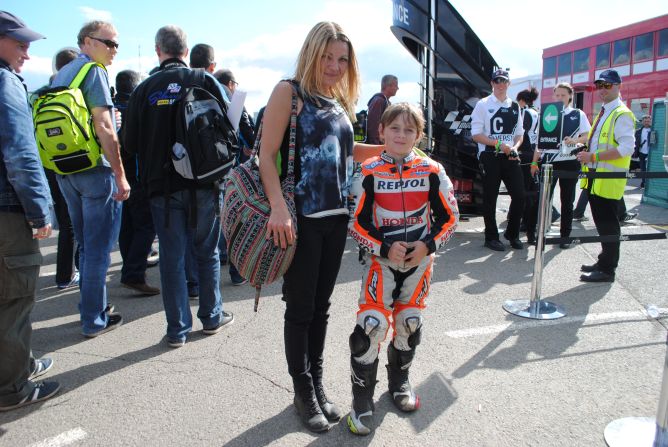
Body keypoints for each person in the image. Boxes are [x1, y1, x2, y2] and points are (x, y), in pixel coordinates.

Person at [258, 21, 362, 432]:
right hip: (299, 221)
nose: (335, 66)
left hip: (335, 221)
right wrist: (279, 206)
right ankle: (302, 392)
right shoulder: (290, 92)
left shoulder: (336, 101)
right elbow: (266, 155)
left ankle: (317, 383)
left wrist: (403, 147)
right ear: (311, 52)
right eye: (327, 56)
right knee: (300, 310)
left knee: (321, 308)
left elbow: (347, 154)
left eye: (342, 59)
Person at [346, 103, 459, 435]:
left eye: (409, 130)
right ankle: (361, 401)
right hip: (380, 263)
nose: (401, 135)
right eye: (394, 128)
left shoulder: (432, 170)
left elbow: (451, 218)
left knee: (410, 323)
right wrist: (382, 246)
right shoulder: (367, 171)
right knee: (371, 326)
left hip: (419, 264)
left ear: (419, 135)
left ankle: (400, 383)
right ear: (381, 131)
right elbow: (354, 223)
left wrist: (427, 245)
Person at [124, 25, 234, 348]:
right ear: (185, 52)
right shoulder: (204, 80)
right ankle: (212, 317)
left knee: (171, 258)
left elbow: (128, 144)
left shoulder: (144, 90)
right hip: (204, 182)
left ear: (159, 50)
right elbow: (233, 121)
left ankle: (177, 330)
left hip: (161, 187)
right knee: (208, 251)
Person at [51, 20, 129, 337]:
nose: (113, 50)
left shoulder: (62, 74)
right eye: (108, 43)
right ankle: (93, 319)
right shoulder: (93, 72)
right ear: (87, 42)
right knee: (98, 250)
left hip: (64, 170)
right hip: (95, 171)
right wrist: (121, 176)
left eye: (116, 44)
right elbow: (105, 129)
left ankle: (92, 306)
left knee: (85, 246)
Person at [0, 10, 60, 411]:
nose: (26, 52)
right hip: (6, 213)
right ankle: (11, 389)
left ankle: (18, 367)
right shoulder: (5, 81)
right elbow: (21, 153)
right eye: (19, 42)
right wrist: (40, 214)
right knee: (13, 301)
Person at [576, 69, 635, 282]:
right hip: (596, 180)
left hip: (608, 180)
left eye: (607, 85)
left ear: (619, 86)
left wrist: (592, 156)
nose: (602, 90)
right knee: (602, 224)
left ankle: (608, 270)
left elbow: (627, 148)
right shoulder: (605, 111)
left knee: (609, 225)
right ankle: (603, 261)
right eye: (600, 85)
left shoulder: (621, 113)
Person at [115, 69, 160, 296]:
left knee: (127, 226)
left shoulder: (111, 108)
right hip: (138, 176)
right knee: (146, 226)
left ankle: (130, 268)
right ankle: (133, 273)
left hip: (117, 176)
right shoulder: (136, 110)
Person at [531, 82, 591, 249]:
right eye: (557, 95)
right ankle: (539, 234)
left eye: (563, 95)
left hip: (569, 162)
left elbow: (587, 136)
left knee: (567, 200)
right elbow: (539, 142)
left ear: (570, 96)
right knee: (544, 199)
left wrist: (575, 140)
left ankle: (565, 236)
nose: (559, 98)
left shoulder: (578, 114)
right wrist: (535, 161)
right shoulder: (548, 114)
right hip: (549, 163)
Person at [471, 68, 525, 251]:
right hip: (490, 155)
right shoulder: (483, 104)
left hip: (510, 156)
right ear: (492, 83)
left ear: (509, 84)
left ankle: (512, 233)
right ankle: (491, 237)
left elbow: (519, 134)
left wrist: (515, 148)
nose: (500, 84)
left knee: (519, 196)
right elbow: (476, 135)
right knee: (490, 198)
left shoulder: (515, 106)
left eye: (504, 81)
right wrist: (498, 145)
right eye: (497, 81)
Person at [516, 87, 539, 245]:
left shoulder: (525, 112)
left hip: (525, 155)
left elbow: (520, 134)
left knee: (522, 194)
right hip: (535, 155)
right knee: (532, 194)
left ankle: (524, 225)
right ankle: (530, 228)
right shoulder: (537, 112)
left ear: (522, 100)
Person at [365, 74, 398, 144]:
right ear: (389, 86)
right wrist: (375, 146)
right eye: (396, 85)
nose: (397, 88)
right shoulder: (379, 101)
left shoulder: (385, 102)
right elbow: (373, 125)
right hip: (376, 146)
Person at [634, 115, 652, 188]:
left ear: (650, 121)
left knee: (650, 168)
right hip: (641, 153)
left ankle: (649, 184)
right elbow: (635, 142)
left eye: (648, 121)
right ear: (642, 122)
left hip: (651, 153)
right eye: (645, 121)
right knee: (643, 169)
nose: (647, 123)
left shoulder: (653, 130)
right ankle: (644, 182)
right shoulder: (638, 131)